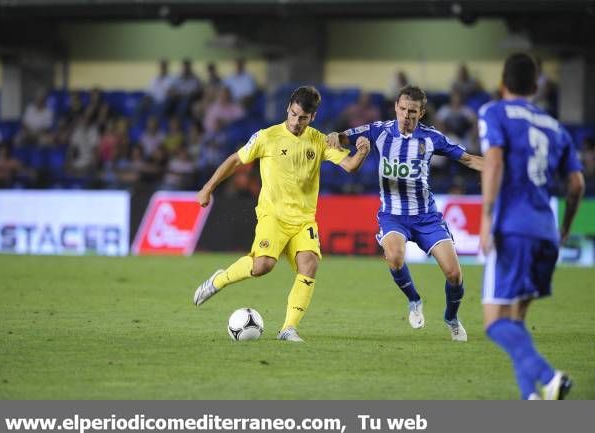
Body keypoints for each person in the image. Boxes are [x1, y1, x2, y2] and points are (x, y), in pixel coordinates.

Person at [193, 85, 370, 342]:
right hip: (273, 217)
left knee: (309, 264)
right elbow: (235, 160)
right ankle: (220, 280)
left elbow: (350, 166)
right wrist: (207, 188)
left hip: (304, 220)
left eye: (303, 118)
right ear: (288, 108)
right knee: (262, 266)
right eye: (294, 114)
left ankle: (288, 328)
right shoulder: (267, 137)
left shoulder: (319, 140)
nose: (296, 122)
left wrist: (362, 151)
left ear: (313, 117)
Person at [329, 85, 483, 341]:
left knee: (454, 274)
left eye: (413, 111)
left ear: (421, 113)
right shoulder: (380, 130)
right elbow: (342, 136)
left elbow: (468, 159)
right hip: (393, 214)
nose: (406, 115)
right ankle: (414, 300)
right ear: (396, 108)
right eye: (402, 109)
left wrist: (499, 168)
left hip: (426, 217)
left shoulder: (432, 138)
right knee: (395, 256)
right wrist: (335, 134)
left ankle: (452, 318)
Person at [478, 53, 584, 400]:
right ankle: (531, 399)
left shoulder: (494, 112)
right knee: (517, 322)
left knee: (495, 323)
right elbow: (577, 185)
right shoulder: (555, 127)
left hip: (513, 228)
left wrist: (486, 218)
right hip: (545, 231)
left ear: (501, 83)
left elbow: (493, 161)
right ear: (537, 87)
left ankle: (549, 377)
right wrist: (565, 228)